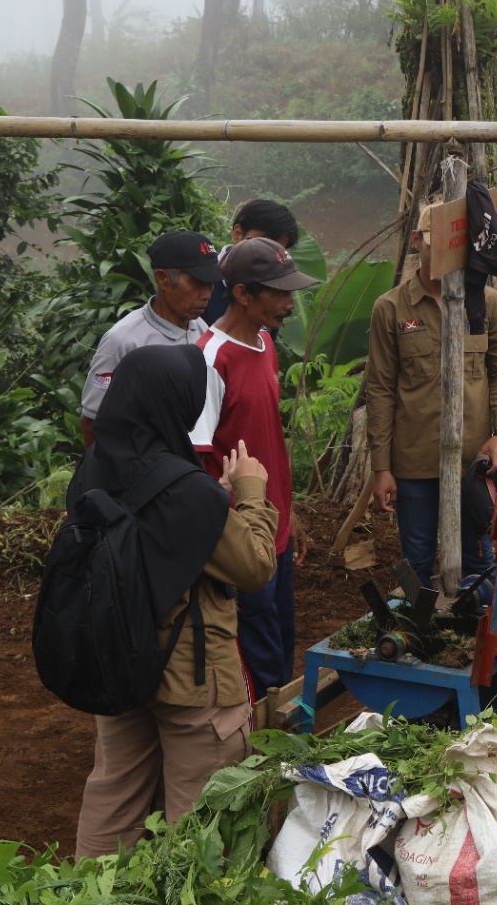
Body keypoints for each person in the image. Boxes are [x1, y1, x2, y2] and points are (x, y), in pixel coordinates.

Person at [74, 344, 278, 857]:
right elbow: (252, 566)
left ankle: (90, 892)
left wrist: (212, 497)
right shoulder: (188, 492)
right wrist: (249, 493)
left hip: (119, 657)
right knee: (201, 817)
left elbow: (154, 535)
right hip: (191, 672)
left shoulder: (94, 469)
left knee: (114, 794)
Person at [190, 236, 318, 699]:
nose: (288, 304)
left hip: (274, 522)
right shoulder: (210, 359)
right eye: (278, 293)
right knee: (254, 642)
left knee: (280, 634)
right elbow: (200, 460)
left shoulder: (264, 343)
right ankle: (257, 747)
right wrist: (235, 531)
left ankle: (276, 733)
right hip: (240, 532)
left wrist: (288, 509)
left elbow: (267, 440)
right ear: (242, 293)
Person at [366, 207, 497, 590]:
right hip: (415, 461)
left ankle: (477, 640)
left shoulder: (487, 303)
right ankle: (419, 640)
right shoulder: (391, 308)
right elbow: (381, 389)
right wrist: (382, 467)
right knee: (416, 557)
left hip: (474, 460)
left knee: (478, 556)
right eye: (442, 246)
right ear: (418, 240)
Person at [80, 230, 222, 446]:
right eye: (197, 283)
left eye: (211, 283)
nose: (207, 294)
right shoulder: (123, 340)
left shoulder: (201, 330)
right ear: (163, 279)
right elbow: (92, 421)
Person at [202, 198, 301, 326]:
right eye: (261, 243)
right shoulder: (202, 278)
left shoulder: (273, 293)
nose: (268, 256)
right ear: (237, 234)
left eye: (276, 251)